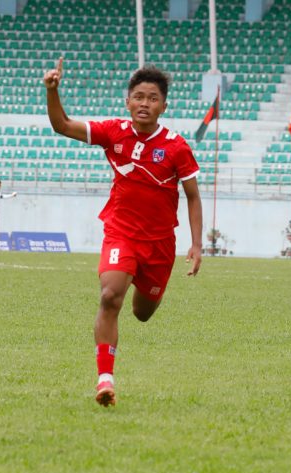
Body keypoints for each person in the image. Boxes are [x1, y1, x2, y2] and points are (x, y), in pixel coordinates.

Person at [44, 58, 203, 406]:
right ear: (127, 101)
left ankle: (146, 288)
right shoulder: (114, 132)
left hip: (160, 244)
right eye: (138, 97)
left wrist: (196, 243)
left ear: (164, 105)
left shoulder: (177, 147)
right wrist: (52, 90)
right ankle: (105, 380)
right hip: (121, 232)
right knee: (109, 295)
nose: (144, 103)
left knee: (142, 313)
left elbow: (192, 197)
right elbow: (62, 125)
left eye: (152, 98)